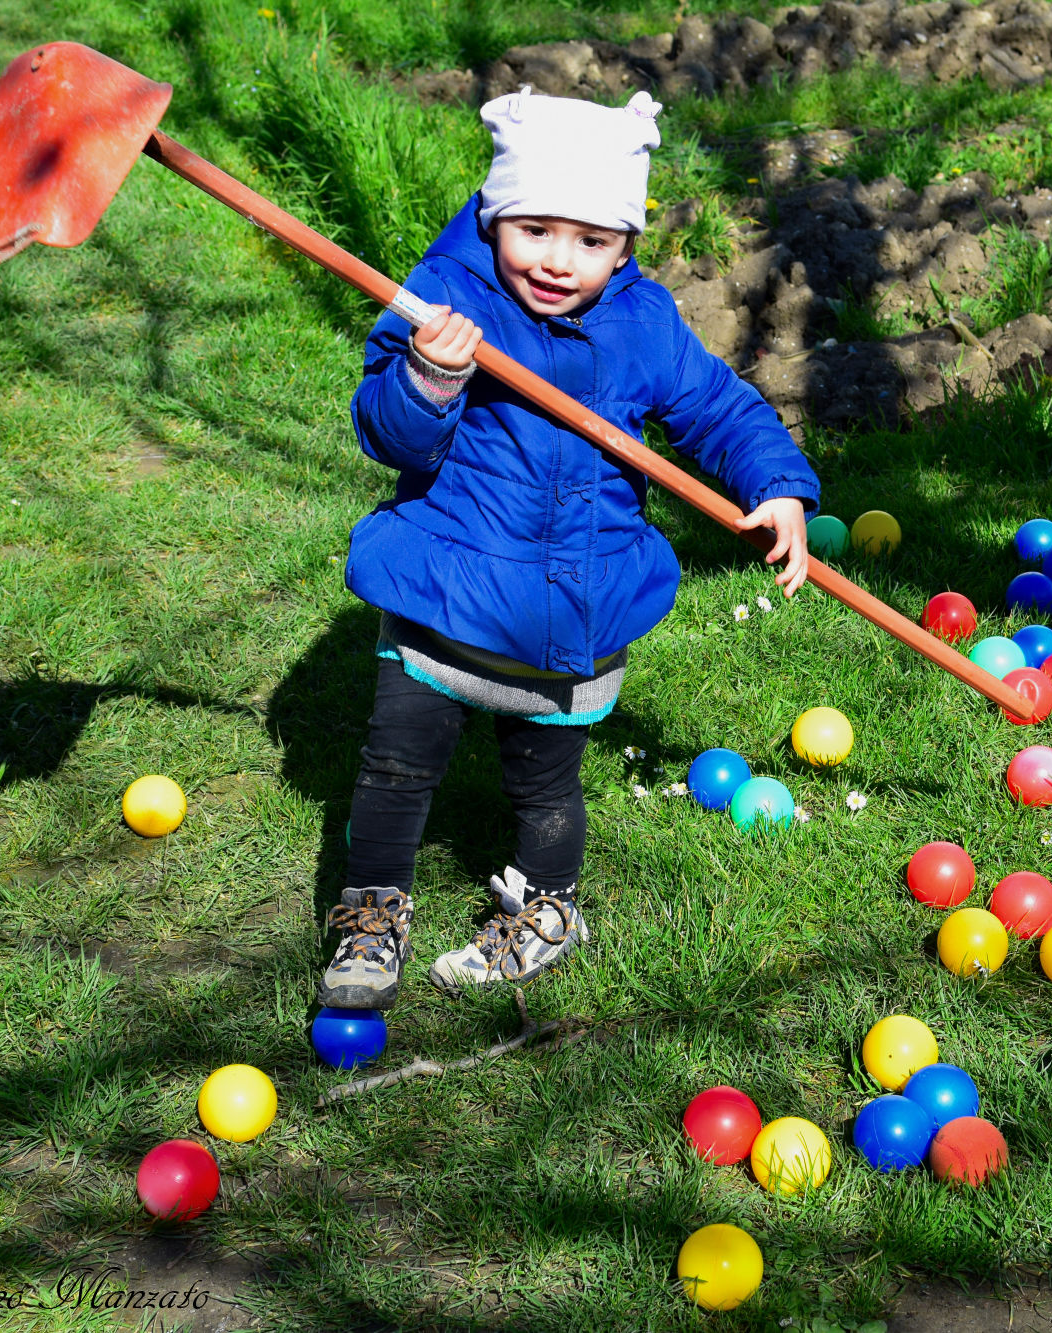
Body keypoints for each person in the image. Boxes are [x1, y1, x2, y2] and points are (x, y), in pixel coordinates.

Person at [317, 87, 818, 1010]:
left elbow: (716, 406)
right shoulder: (444, 296)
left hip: (571, 609)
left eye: (592, 241)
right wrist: (431, 374)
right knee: (394, 767)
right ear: (496, 213)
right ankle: (371, 915)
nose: (557, 262)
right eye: (535, 230)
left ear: (627, 244)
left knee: (546, 787)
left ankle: (547, 910)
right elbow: (390, 435)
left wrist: (774, 482)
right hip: (444, 590)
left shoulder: (641, 323)